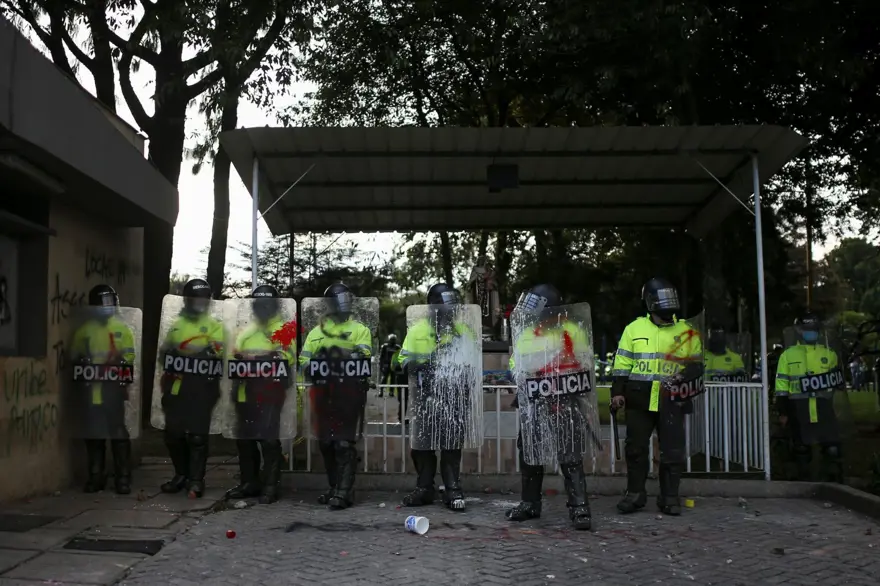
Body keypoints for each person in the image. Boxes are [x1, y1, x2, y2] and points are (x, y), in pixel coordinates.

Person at [505, 284, 594, 530]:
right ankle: (530, 503)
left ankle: (579, 507)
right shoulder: (527, 333)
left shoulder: (572, 331)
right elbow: (516, 364)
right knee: (530, 453)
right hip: (536, 403)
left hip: (565, 402)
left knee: (570, 455)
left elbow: (585, 363)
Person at [611, 277, 703, 516]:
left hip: (672, 399)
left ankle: (670, 497)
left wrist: (684, 378)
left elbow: (697, 366)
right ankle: (635, 494)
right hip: (639, 400)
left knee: (672, 451)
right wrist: (617, 393)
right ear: (650, 303)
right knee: (635, 449)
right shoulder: (634, 329)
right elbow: (622, 365)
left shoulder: (687, 331)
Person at [399, 283, 479, 511]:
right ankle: (425, 488)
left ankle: (453, 489)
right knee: (422, 446)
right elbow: (402, 360)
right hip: (425, 397)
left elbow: (473, 361)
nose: (450, 313)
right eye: (446, 308)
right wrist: (420, 363)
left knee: (451, 445)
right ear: (434, 307)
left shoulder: (464, 330)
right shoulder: (417, 331)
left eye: (453, 308)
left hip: (454, 397)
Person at [300, 283, 374, 510]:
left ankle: (345, 491)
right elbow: (304, 360)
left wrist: (337, 355)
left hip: (348, 394)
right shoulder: (315, 332)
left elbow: (363, 356)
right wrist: (318, 362)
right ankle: (334, 487)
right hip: (323, 393)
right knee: (326, 443)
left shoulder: (360, 329)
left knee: (343, 443)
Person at [224, 285, 295, 504]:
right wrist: (238, 357)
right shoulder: (246, 329)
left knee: (267, 439)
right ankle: (249, 482)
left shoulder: (283, 328)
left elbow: (287, 357)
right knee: (244, 439)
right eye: (258, 305)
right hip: (245, 390)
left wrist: (258, 358)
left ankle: (271, 485)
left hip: (270, 391)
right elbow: (233, 354)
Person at [157, 278, 225, 498]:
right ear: (187, 300)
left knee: (197, 436)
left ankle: (196, 480)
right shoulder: (177, 324)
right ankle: (181, 475)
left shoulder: (215, 326)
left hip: (202, 387)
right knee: (173, 434)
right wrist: (170, 353)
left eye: (204, 298)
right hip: (177, 386)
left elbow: (218, 352)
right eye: (195, 298)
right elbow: (164, 353)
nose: (200, 302)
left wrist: (198, 352)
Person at [70, 284, 137, 494]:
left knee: (118, 433)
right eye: (104, 303)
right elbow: (74, 357)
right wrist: (82, 360)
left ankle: (123, 478)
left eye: (111, 302)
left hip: (113, 390)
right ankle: (96, 476)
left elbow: (130, 356)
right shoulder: (85, 331)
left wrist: (122, 362)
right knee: (94, 434)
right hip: (91, 391)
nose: (108, 307)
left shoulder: (122, 328)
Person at [775, 313, 844, 482]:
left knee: (831, 448)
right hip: (799, 408)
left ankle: (832, 483)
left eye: (813, 330)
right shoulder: (787, 355)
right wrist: (783, 412)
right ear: (800, 331)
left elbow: (838, 384)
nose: (810, 333)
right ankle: (803, 482)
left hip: (823, 407)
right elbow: (781, 386)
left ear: (819, 332)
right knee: (801, 449)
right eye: (807, 330)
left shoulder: (830, 354)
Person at [378, 333, 401, 399]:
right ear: (389, 340)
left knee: (393, 378)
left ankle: (391, 391)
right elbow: (381, 357)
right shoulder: (385, 346)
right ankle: (381, 390)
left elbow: (400, 357)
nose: (392, 341)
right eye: (391, 339)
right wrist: (381, 365)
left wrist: (399, 365)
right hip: (386, 365)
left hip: (394, 365)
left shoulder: (397, 347)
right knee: (384, 378)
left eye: (394, 339)